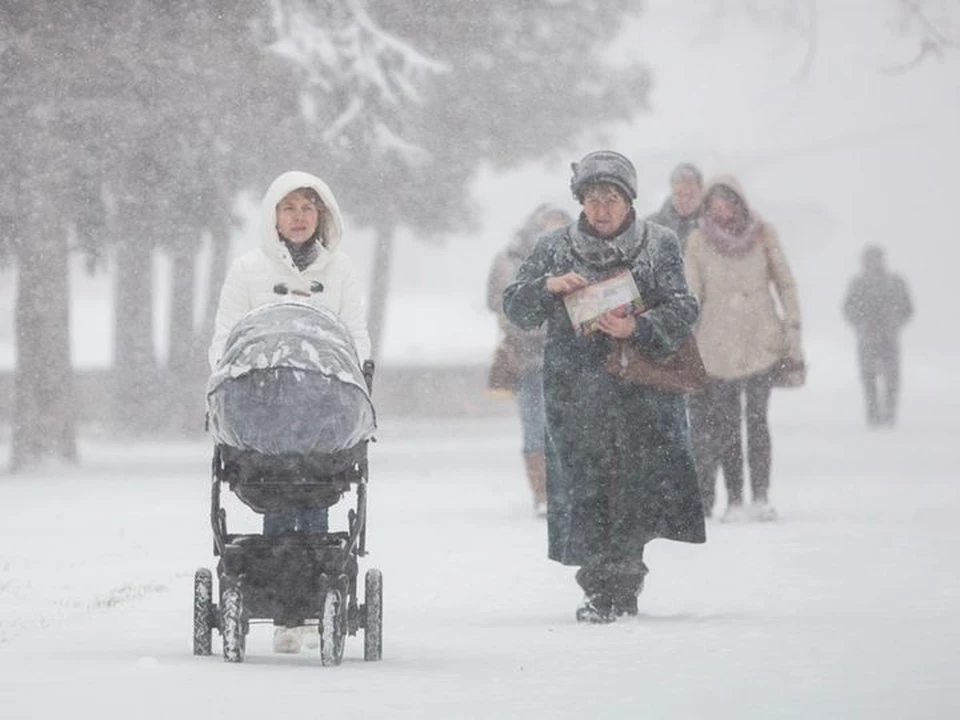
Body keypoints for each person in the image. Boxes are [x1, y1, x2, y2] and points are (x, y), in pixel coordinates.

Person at [503, 151, 706, 624]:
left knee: (635, 488)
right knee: (586, 489)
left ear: (629, 199)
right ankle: (597, 586)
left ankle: (625, 583)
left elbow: (683, 307)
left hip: (643, 393)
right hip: (576, 394)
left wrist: (637, 326)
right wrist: (549, 287)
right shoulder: (553, 246)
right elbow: (515, 306)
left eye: (611, 198)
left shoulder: (660, 243)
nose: (602, 208)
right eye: (592, 198)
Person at [208, 169, 371, 653]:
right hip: (261, 410)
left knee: (317, 489)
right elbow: (225, 336)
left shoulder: (339, 271)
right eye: (289, 208)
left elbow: (356, 334)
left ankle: (308, 599)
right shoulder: (247, 270)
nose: (299, 218)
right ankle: (286, 605)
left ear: (322, 215)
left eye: (307, 208)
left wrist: (357, 378)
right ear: (273, 216)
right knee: (276, 487)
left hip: (323, 409)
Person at [683, 175, 803, 523]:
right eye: (716, 204)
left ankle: (761, 496)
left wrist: (792, 325)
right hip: (716, 347)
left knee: (757, 420)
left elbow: (786, 283)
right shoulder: (697, 241)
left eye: (729, 202)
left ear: (740, 202)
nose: (723, 210)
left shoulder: (764, 234)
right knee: (727, 424)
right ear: (708, 207)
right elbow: (692, 293)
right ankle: (734, 498)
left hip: (761, 340)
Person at [486, 204, 574, 518]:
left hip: (570, 360)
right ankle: (543, 493)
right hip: (528, 360)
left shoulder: (577, 256)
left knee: (568, 428)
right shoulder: (512, 261)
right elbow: (502, 304)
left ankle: (564, 490)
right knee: (536, 426)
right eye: (547, 225)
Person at [842, 245, 913, 427]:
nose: (873, 263)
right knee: (868, 378)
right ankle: (873, 415)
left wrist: (895, 322)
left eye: (876, 259)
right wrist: (861, 323)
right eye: (870, 260)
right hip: (867, 338)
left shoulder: (895, 282)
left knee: (892, 379)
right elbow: (848, 309)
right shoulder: (858, 284)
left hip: (889, 337)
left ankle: (889, 415)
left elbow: (908, 308)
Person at [645, 163, 704, 252]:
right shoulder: (652, 226)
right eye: (679, 194)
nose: (684, 200)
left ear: (700, 192)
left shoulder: (711, 225)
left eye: (691, 195)